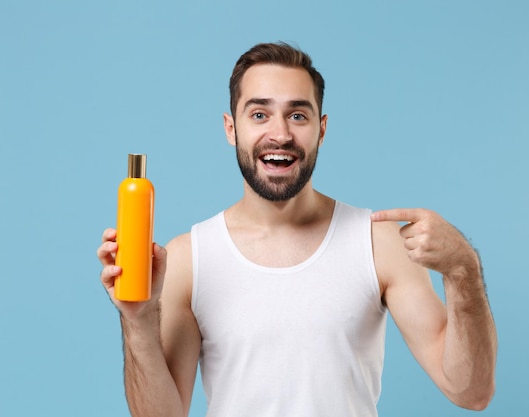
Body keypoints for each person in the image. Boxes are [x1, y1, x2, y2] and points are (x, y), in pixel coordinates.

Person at [97, 42, 497, 417]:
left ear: (321, 129)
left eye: (298, 115)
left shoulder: (379, 244)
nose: (281, 134)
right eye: (259, 114)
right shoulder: (187, 258)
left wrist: (463, 270)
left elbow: (470, 391)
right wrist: (138, 320)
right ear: (230, 128)